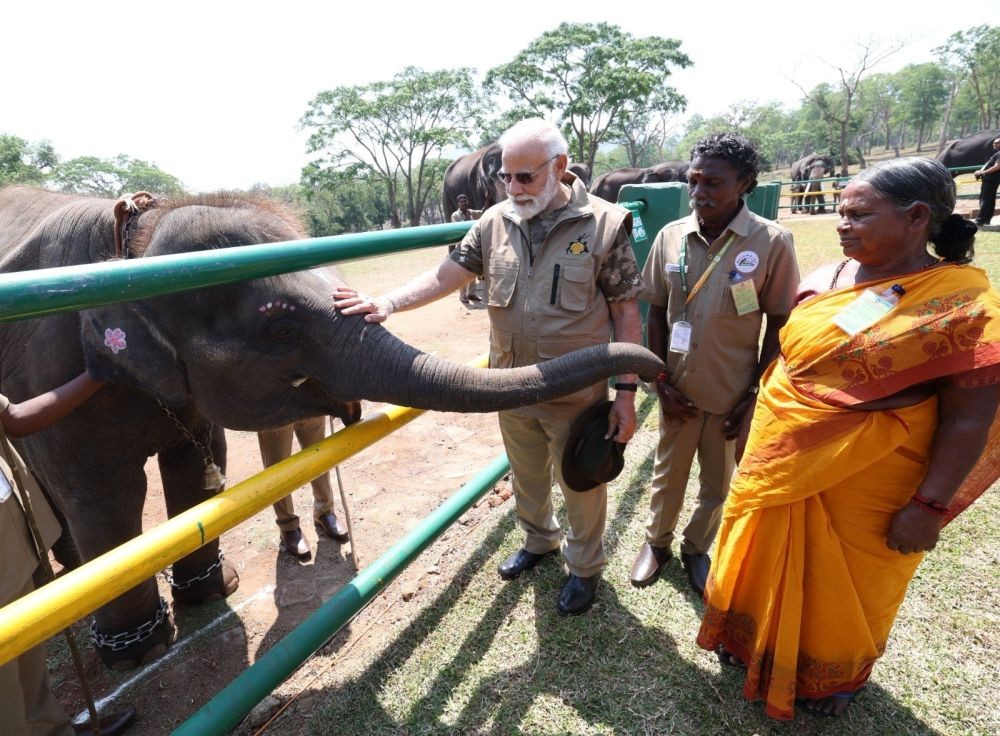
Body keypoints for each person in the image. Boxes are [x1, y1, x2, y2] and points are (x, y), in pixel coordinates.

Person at [696, 157, 1000, 719]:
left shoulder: (961, 305)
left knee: (845, 587)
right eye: (841, 213)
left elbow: (968, 418)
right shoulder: (824, 279)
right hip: (777, 457)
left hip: (869, 480)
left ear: (916, 218)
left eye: (859, 215)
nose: (842, 224)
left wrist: (928, 506)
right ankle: (750, 641)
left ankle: (830, 678)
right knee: (758, 555)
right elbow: (788, 364)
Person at [333, 118, 644, 616]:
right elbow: (447, 274)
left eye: (526, 177)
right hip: (508, 388)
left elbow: (627, 312)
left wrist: (625, 395)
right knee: (526, 476)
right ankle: (539, 541)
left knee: (583, 484)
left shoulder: (604, 224)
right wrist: (387, 302)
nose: (514, 188)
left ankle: (585, 569)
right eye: (507, 177)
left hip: (575, 392)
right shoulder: (494, 221)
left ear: (560, 167)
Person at [630, 132, 800, 597]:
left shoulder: (771, 242)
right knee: (668, 473)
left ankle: (696, 547)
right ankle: (657, 544)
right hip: (678, 389)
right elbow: (658, 313)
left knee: (717, 480)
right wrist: (660, 379)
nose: (700, 192)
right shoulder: (669, 237)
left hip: (732, 393)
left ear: (745, 182)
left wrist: (754, 396)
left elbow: (780, 321)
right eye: (694, 180)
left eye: (714, 183)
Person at [1, 373, 137, 735]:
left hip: (10, 532)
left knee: (26, 647)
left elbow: (13, 418)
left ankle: (51, 730)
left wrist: (95, 376)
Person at [258, 417, 350, 561]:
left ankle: (324, 510)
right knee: (278, 461)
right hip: (273, 401)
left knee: (318, 452)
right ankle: (287, 525)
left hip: (309, 397)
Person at [450, 194, 484, 304]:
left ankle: (472, 293)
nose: (464, 203)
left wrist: (487, 199)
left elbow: (483, 211)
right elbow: (458, 229)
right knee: (462, 271)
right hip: (461, 246)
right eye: (461, 201)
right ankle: (462, 295)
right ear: (458, 204)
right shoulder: (455, 215)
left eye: (465, 201)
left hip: (472, 245)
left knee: (473, 270)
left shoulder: (472, 213)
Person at [973, 135, 1000, 227]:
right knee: (990, 200)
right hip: (991, 180)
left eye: (996, 143)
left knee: (985, 200)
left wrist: (983, 172)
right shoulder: (997, 154)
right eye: (993, 143)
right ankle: (987, 219)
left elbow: (997, 166)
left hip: (991, 180)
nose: (994, 144)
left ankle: (980, 220)